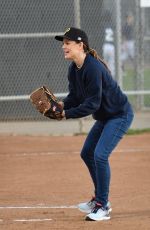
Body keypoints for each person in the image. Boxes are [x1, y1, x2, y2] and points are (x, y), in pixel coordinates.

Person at [54, 27, 134, 221]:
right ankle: (99, 199)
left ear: (81, 45)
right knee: (87, 153)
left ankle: (102, 206)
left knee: (100, 155)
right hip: (106, 117)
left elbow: (92, 104)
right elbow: (75, 96)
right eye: (63, 43)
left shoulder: (92, 67)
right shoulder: (74, 68)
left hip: (119, 115)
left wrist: (66, 114)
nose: (64, 46)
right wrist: (61, 105)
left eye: (68, 43)